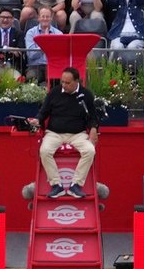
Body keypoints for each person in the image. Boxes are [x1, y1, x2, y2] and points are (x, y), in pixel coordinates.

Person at [31, 66, 98, 199]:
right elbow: (43, 112)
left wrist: (94, 129)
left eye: (68, 83)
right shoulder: (54, 93)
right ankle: (56, 185)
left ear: (77, 81)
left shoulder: (86, 95)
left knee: (90, 150)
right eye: (62, 82)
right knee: (44, 151)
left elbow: (93, 116)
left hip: (78, 133)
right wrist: (37, 120)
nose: (64, 85)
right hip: (54, 133)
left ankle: (76, 185)